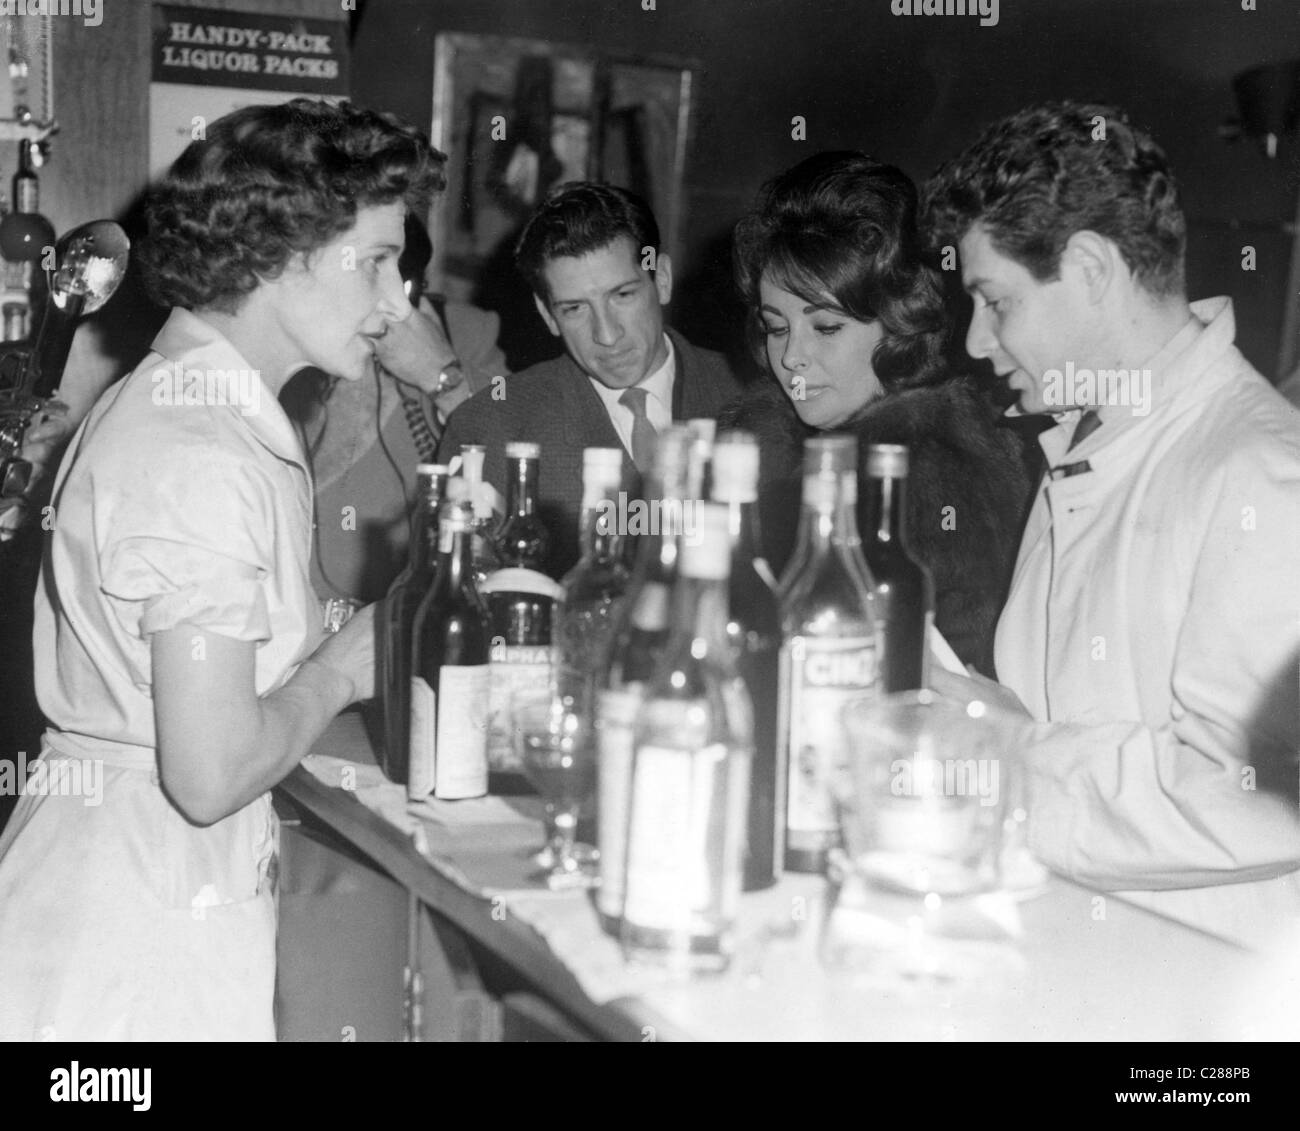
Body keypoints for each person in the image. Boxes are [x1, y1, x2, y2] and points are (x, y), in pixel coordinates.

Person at [0, 98, 441, 1040]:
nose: (399, 300)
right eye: (374, 261)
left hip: (134, 888)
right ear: (281, 255)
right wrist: (340, 671)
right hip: (131, 936)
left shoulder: (204, 408)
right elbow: (210, 771)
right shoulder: (200, 448)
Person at [920, 101, 1300, 948]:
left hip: (1201, 1010)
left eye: (995, 301)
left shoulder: (1265, 473)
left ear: (1091, 267)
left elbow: (1253, 793)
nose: (976, 342)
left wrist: (1005, 757)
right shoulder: (1094, 439)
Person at [717, 151, 1031, 672]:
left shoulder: (941, 478)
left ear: (899, 325)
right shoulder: (751, 455)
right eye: (777, 327)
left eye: (826, 327)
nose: (792, 356)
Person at [438, 181, 743, 579]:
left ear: (662, 279)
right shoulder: (490, 427)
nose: (607, 334)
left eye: (623, 295)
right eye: (576, 308)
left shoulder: (750, 397)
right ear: (548, 315)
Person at [281, 212, 509, 604]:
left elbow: (516, 481)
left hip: (410, 614)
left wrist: (442, 374)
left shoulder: (467, 335)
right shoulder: (289, 342)